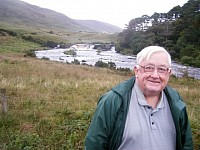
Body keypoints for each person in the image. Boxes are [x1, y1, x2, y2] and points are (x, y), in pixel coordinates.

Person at [84, 46, 193, 150]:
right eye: (149, 68)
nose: (155, 75)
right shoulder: (112, 101)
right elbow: (94, 144)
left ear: (169, 73)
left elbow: (186, 144)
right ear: (136, 70)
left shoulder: (176, 101)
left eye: (161, 69)